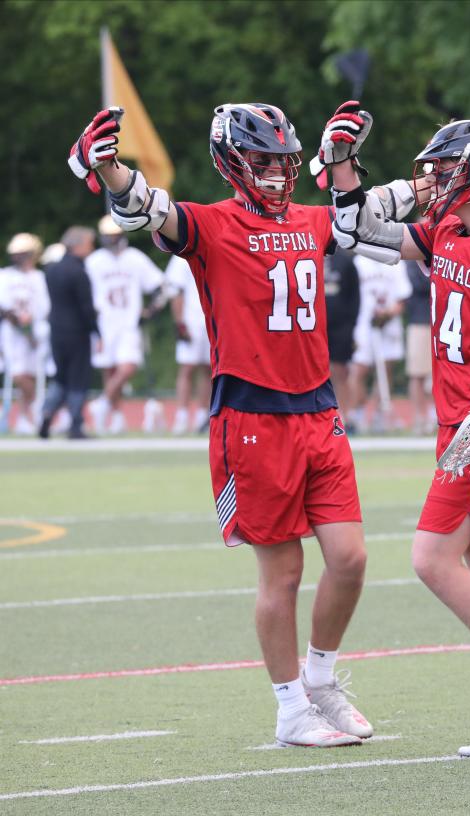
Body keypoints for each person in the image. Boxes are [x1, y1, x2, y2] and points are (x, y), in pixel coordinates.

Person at [67, 103, 416, 747]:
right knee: (281, 574)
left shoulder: (311, 221)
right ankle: (290, 710)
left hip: (320, 410)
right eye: (263, 162)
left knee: (350, 559)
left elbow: (364, 219)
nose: (279, 175)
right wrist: (111, 168)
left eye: (284, 163)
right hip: (251, 419)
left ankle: (321, 680)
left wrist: (342, 165)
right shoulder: (211, 223)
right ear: (232, 162)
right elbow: (149, 210)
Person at [322, 79, 470, 756]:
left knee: (432, 558)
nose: (435, 181)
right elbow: (355, 230)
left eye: (448, 169)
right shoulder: (446, 231)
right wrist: (342, 166)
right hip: (457, 424)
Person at [85, 215, 165, 435]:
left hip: (129, 322)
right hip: (104, 322)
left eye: (115, 236)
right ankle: (117, 415)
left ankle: (101, 404)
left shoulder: (134, 259)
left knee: (128, 366)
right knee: (109, 369)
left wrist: (150, 311)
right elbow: (85, 294)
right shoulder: (95, 261)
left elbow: (159, 286)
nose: (112, 241)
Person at [38, 226, 99, 439]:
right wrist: (96, 332)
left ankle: (46, 414)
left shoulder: (51, 270)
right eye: (89, 245)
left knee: (60, 377)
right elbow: (86, 308)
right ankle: (75, 424)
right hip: (77, 331)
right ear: (78, 246)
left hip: (56, 329)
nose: (91, 249)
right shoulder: (79, 272)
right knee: (78, 378)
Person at [345, 254, 411, 432]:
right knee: (359, 369)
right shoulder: (358, 262)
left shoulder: (395, 262)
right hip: (362, 324)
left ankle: (377, 416)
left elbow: (403, 297)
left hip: (388, 324)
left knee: (386, 369)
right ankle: (355, 414)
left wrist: (388, 313)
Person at [0, 233, 51, 434]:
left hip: (36, 332)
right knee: (18, 374)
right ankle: (34, 409)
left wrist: (32, 329)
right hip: (12, 333)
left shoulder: (38, 277)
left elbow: (44, 307)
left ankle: (24, 416)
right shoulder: (5, 276)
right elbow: (4, 307)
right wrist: (22, 326)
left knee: (32, 373)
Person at [165, 255, 211, 435]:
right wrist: (180, 323)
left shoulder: (212, 248)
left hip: (211, 317)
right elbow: (176, 292)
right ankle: (182, 415)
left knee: (209, 369)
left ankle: (202, 414)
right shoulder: (181, 257)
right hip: (191, 319)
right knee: (187, 368)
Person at [323, 249, 360, 428]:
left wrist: (351, 326)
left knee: (340, 371)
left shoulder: (345, 261)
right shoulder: (309, 254)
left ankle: (344, 414)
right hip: (314, 326)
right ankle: (322, 416)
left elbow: (354, 297)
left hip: (341, 327)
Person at [404, 257, 435, 435]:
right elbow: (419, 285)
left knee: (441, 373)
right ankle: (419, 418)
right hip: (419, 320)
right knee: (417, 373)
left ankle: (436, 416)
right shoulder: (412, 261)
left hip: (439, 320)